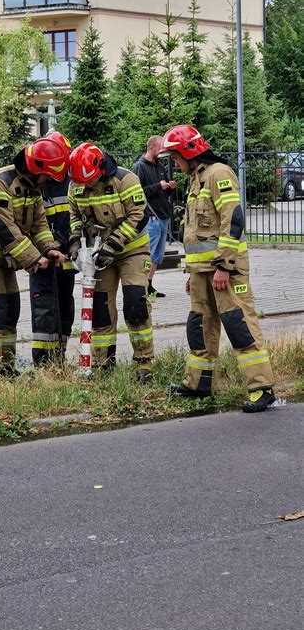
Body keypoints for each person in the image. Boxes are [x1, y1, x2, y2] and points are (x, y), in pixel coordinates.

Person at [159, 124, 275, 413]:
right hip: (202, 272)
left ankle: (261, 388)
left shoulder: (218, 174)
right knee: (199, 326)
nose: (173, 163)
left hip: (225, 269)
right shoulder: (195, 179)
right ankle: (198, 384)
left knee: (239, 323)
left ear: (188, 152)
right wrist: (192, 271)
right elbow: (197, 232)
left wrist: (224, 265)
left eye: (175, 156)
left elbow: (232, 220)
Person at [0, 138, 69, 385]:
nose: (47, 182)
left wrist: (49, 248)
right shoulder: (0, 182)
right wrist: (33, 258)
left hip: (4, 258)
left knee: (10, 308)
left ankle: (5, 367)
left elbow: (39, 224)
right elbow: (4, 227)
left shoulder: (32, 186)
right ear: (36, 169)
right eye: (46, 176)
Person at [68, 142, 154, 381]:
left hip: (131, 250)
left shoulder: (125, 180)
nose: (85, 187)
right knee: (101, 308)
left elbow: (139, 215)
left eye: (89, 182)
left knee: (136, 300)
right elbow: (75, 216)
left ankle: (144, 362)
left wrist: (114, 245)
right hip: (98, 253)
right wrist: (75, 243)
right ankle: (103, 361)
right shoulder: (76, 185)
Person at [29, 131, 76, 366]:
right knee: (44, 311)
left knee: (65, 309)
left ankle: (60, 357)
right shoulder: (37, 183)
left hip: (66, 260)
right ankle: (44, 363)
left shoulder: (72, 182)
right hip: (42, 259)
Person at [132, 135, 177, 297]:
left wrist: (170, 187)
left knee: (157, 256)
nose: (162, 152)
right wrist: (159, 186)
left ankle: (149, 284)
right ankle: (141, 285)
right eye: (160, 148)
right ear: (151, 148)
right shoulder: (140, 167)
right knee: (148, 254)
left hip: (163, 215)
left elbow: (164, 190)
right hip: (151, 216)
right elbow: (137, 193)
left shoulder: (159, 167)